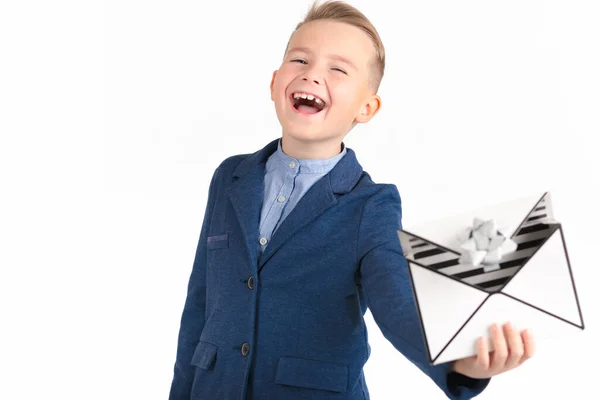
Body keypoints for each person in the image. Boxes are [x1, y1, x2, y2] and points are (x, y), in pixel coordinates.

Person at [168, 1, 535, 399]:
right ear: (275, 82)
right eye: (300, 60)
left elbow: (396, 300)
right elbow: (200, 307)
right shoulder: (230, 178)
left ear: (367, 107)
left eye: (337, 69)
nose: (312, 74)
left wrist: (458, 362)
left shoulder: (371, 205)